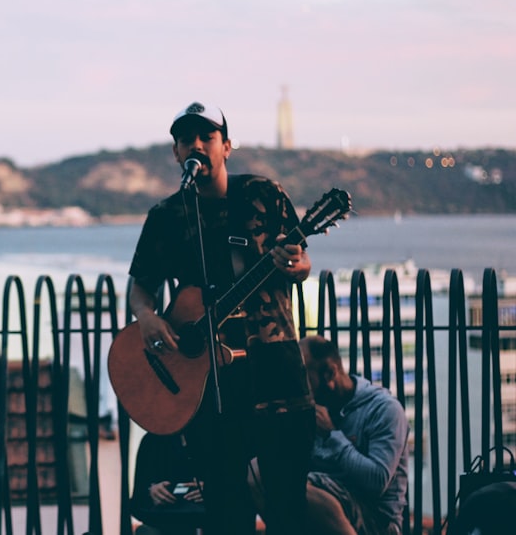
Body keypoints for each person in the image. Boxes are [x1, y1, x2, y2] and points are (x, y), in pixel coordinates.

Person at [127, 101, 315, 534]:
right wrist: (147, 317)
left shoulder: (265, 195)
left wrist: (296, 266)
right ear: (176, 153)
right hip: (210, 388)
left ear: (226, 146)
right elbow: (141, 286)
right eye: (185, 139)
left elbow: (302, 264)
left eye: (206, 136)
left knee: (288, 508)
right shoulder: (166, 217)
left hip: (277, 374)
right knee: (226, 515)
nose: (196, 144)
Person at [294, 335, 409, 535]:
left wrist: (332, 435)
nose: (301, 386)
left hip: (375, 519)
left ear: (329, 373)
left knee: (297, 490)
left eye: (305, 378)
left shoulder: (384, 410)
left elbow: (376, 482)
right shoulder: (314, 409)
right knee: (259, 473)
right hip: (324, 498)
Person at [130, 432, 205, 535]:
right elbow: (138, 503)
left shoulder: (217, 435)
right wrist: (151, 492)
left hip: (212, 518)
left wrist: (214, 487)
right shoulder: (152, 441)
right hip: (166, 521)